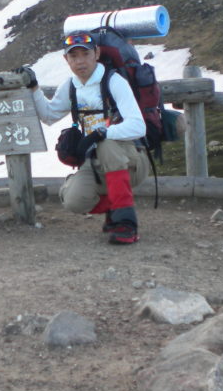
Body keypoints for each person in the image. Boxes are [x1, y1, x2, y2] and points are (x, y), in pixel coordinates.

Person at [20, 32, 150, 244]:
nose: (80, 61)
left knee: (107, 144)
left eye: (85, 54)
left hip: (131, 160)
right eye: (74, 56)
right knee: (74, 201)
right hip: (95, 162)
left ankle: (126, 223)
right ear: (66, 60)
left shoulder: (114, 81)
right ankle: (112, 206)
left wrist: (101, 133)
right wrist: (34, 87)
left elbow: (138, 126)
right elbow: (49, 115)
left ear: (96, 54)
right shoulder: (70, 86)